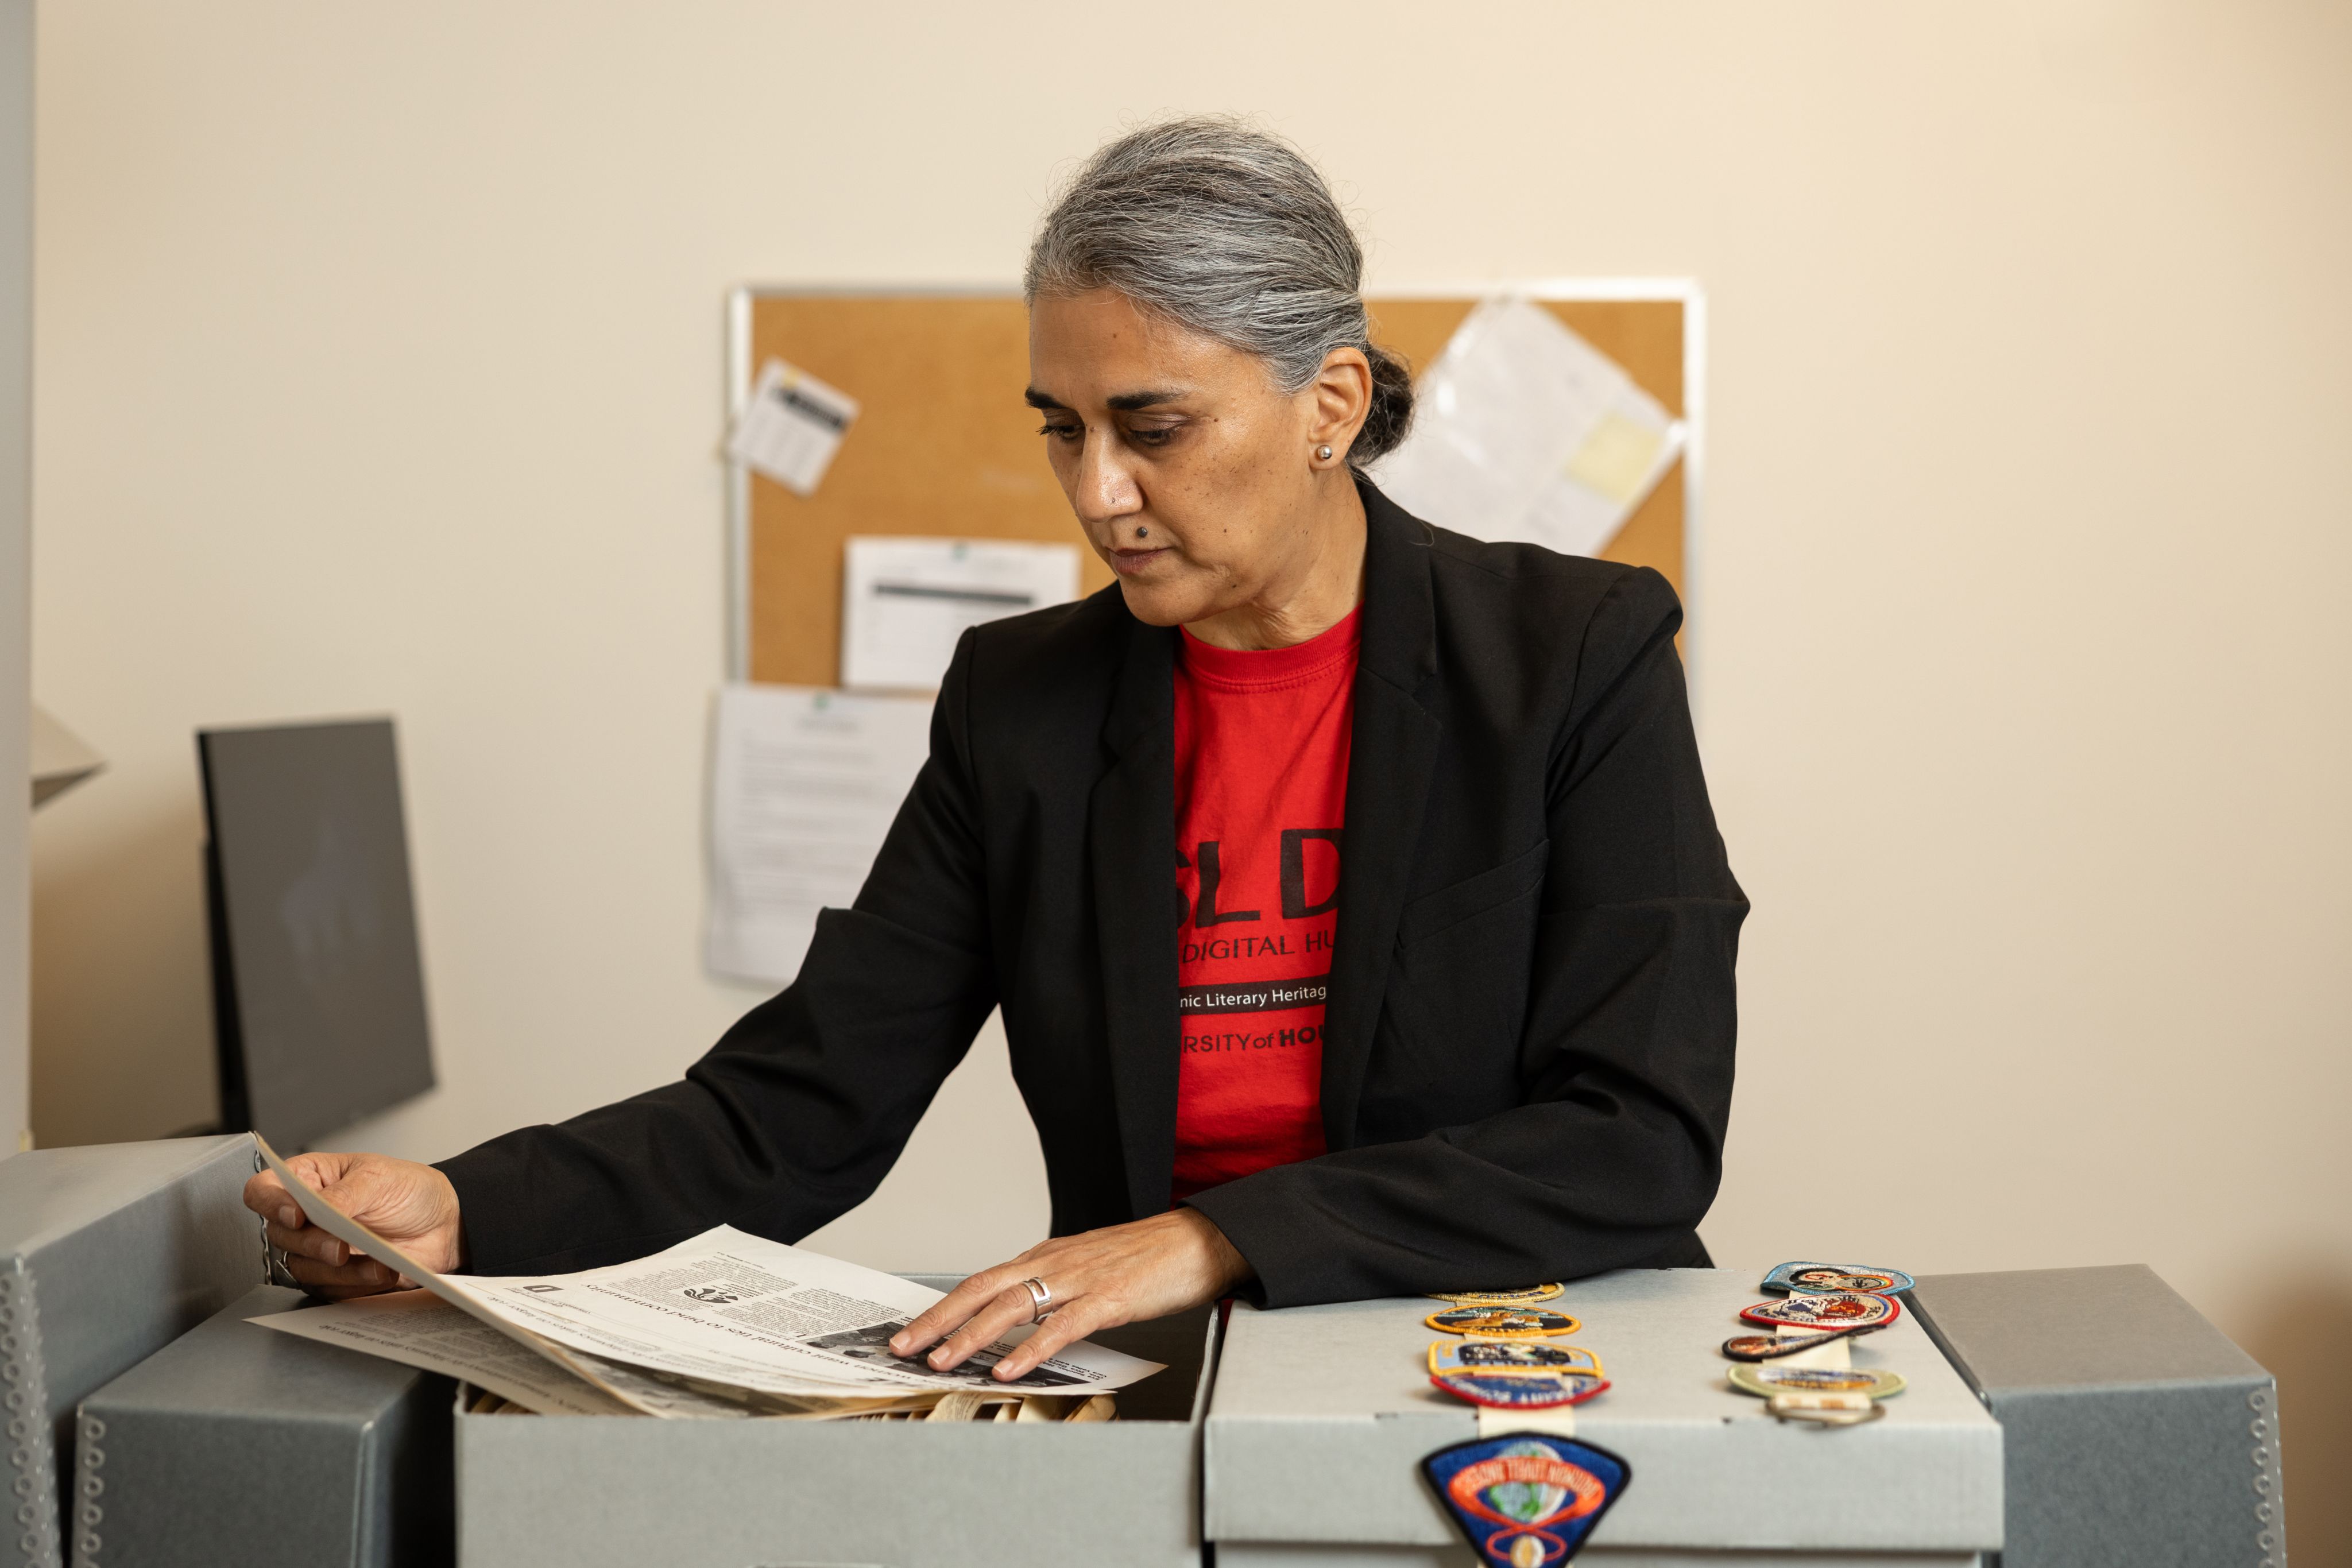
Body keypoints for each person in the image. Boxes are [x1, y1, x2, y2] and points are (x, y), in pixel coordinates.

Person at [246, 117, 1746, 1386]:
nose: (1097, 493)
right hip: (1172, 1405)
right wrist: (459, 1204)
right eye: (1062, 428)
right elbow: (800, 1101)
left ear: (1329, 405)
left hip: (1511, 1388)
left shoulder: (1573, 654)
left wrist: (1221, 1235)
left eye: (1152, 426)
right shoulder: (1020, 702)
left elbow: (1636, 1138)